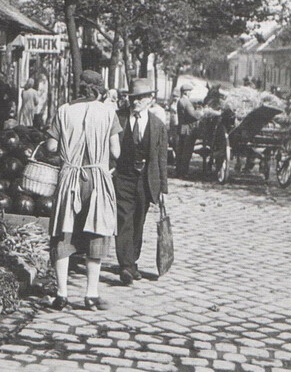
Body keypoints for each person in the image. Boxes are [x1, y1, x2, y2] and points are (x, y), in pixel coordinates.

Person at [46, 70, 121, 311]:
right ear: (100, 89)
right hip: (97, 179)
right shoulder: (109, 113)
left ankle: (61, 294)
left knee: (64, 232)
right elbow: (116, 152)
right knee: (96, 233)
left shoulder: (63, 110)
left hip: (70, 178)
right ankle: (91, 295)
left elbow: (51, 146)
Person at [115, 79, 168, 285]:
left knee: (139, 220)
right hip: (122, 177)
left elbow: (162, 158)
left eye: (141, 98)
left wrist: (163, 187)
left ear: (150, 100)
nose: (136, 102)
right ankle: (125, 265)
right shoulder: (118, 119)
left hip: (146, 180)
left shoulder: (157, 125)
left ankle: (132, 261)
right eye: (133, 98)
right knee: (123, 219)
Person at [175, 82, 200, 178]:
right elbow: (193, 116)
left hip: (182, 128)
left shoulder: (180, 101)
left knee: (180, 151)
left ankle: (178, 171)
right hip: (188, 129)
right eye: (189, 92)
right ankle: (184, 172)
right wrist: (200, 112)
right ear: (186, 92)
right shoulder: (186, 102)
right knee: (187, 152)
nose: (190, 94)